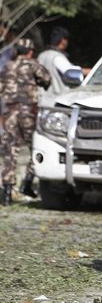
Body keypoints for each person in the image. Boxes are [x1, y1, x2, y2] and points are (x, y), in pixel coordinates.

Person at [0, 38, 51, 205]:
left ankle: (7, 194)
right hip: (27, 112)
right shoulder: (33, 64)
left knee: (9, 150)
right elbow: (46, 80)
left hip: (9, 113)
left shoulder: (7, 66)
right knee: (37, 147)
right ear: (30, 51)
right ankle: (27, 182)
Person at [37, 26, 91, 106]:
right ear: (63, 40)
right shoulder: (57, 57)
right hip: (56, 102)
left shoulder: (41, 55)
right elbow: (70, 72)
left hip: (41, 100)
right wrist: (91, 71)